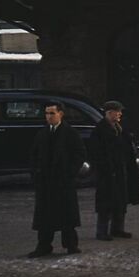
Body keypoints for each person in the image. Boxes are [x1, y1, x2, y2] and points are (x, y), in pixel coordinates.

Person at [28, 101, 87, 257]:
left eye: (52, 113)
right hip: (46, 182)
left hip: (63, 181)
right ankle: (44, 246)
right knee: (44, 216)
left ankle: (71, 245)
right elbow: (34, 154)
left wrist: (70, 172)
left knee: (66, 215)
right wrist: (35, 173)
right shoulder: (42, 133)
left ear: (61, 114)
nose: (49, 116)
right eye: (47, 113)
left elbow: (80, 154)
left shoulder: (70, 133)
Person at [90, 100, 139, 241]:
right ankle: (102, 231)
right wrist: (105, 168)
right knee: (106, 202)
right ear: (110, 113)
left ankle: (118, 228)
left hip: (121, 170)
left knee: (121, 200)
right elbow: (96, 152)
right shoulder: (100, 130)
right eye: (118, 111)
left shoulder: (119, 129)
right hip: (107, 173)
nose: (120, 114)